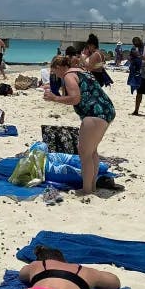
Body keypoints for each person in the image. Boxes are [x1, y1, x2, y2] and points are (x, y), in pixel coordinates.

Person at [42, 54, 114, 194]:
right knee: (91, 151)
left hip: (95, 113)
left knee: (84, 153)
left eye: (55, 70)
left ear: (61, 67)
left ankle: (87, 190)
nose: (55, 74)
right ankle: (91, 187)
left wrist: (54, 98)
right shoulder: (80, 71)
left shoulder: (68, 76)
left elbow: (75, 98)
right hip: (106, 110)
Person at [130, 37, 145, 115]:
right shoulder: (134, 49)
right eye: (134, 42)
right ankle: (136, 110)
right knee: (139, 92)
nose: (136, 43)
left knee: (140, 92)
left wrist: (140, 57)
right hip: (140, 73)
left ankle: (136, 110)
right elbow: (131, 58)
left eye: (137, 42)